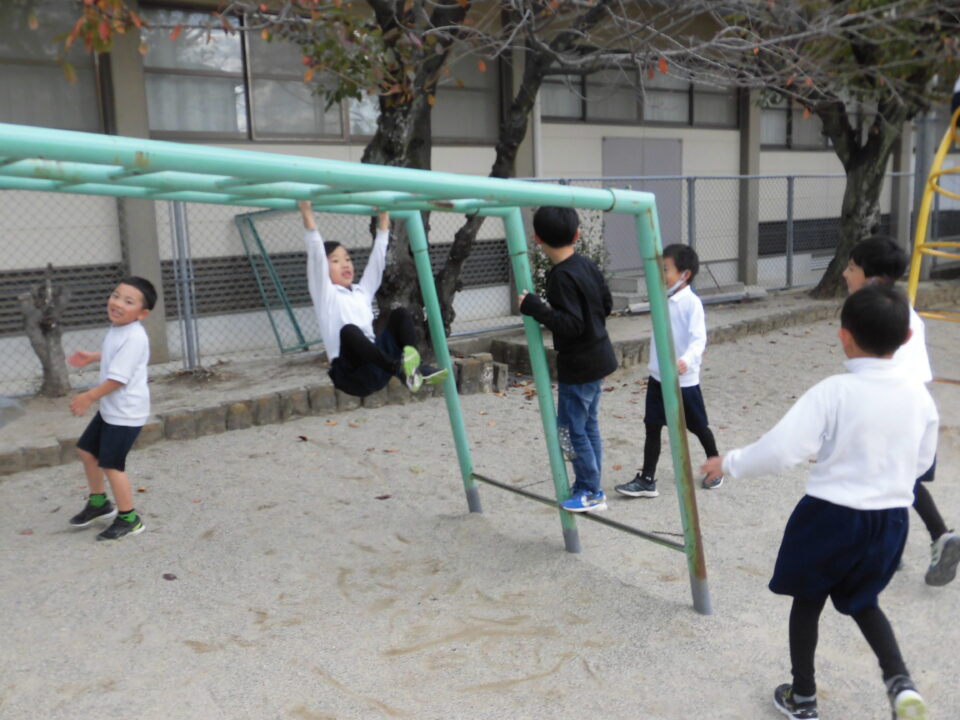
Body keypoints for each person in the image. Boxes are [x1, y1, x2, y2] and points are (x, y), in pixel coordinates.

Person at [702, 285, 937, 720]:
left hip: (830, 517)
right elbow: (921, 463)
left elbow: (781, 450)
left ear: (844, 336)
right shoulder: (919, 397)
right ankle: (900, 681)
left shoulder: (835, 391)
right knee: (865, 602)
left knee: (808, 601)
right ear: (907, 337)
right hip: (889, 521)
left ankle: (804, 696)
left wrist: (729, 463)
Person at [842, 235, 959, 586]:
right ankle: (924, 540)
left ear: (874, 278)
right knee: (900, 480)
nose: (845, 274)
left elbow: (885, 372)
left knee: (885, 479)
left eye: (852, 268)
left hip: (893, 411)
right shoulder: (897, 309)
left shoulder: (882, 316)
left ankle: (897, 546)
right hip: (911, 407)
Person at [519, 206, 618, 512]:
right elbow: (607, 303)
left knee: (570, 431)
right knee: (587, 425)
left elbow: (571, 324)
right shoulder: (586, 264)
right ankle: (592, 484)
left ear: (537, 238)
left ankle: (590, 490)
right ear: (577, 234)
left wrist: (536, 308)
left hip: (579, 364)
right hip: (599, 355)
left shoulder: (560, 276)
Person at [299, 201, 447, 398]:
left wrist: (383, 225)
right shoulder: (326, 295)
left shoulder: (361, 292)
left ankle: (412, 368)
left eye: (347, 259)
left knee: (400, 315)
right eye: (335, 261)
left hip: (377, 367)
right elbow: (316, 253)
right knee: (349, 331)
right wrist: (307, 213)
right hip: (351, 374)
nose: (345, 264)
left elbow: (376, 264)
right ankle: (399, 370)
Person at [616, 243, 721, 499]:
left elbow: (699, 339)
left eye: (665, 269)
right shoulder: (662, 297)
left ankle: (716, 465)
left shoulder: (691, 303)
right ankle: (647, 480)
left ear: (685, 274)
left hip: (683, 380)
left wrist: (686, 360)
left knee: (698, 427)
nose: (661, 274)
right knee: (652, 426)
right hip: (658, 377)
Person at [66, 276, 157, 541]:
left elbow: (119, 378)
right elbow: (115, 354)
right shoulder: (119, 328)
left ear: (142, 313)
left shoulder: (134, 337)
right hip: (112, 409)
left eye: (128, 301)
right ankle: (99, 504)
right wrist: (93, 357)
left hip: (126, 413)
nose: (117, 303)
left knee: (112, 465)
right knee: (86, 451)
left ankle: (129, 519)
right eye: (116, 296)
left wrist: (88, 397)